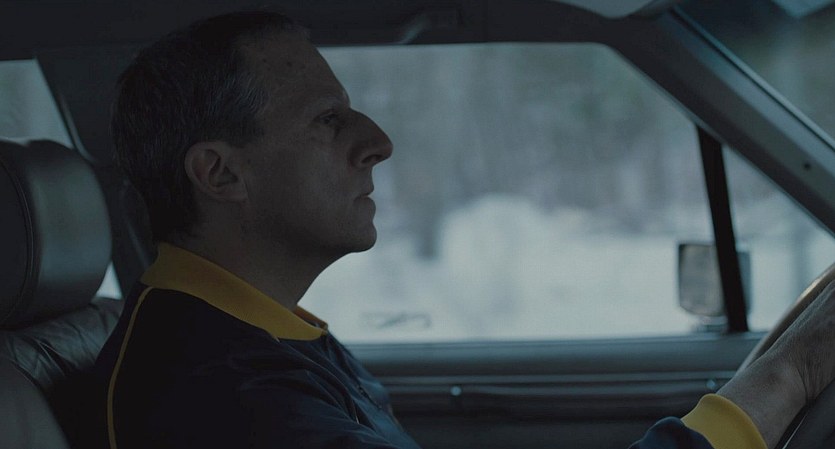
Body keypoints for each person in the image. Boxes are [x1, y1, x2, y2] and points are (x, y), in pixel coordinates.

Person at [92, 10, 835, 449]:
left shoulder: (254, 340)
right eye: (327, 120)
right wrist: (786, 376)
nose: (376, 141)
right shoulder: (216, 395)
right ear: (220, 174)